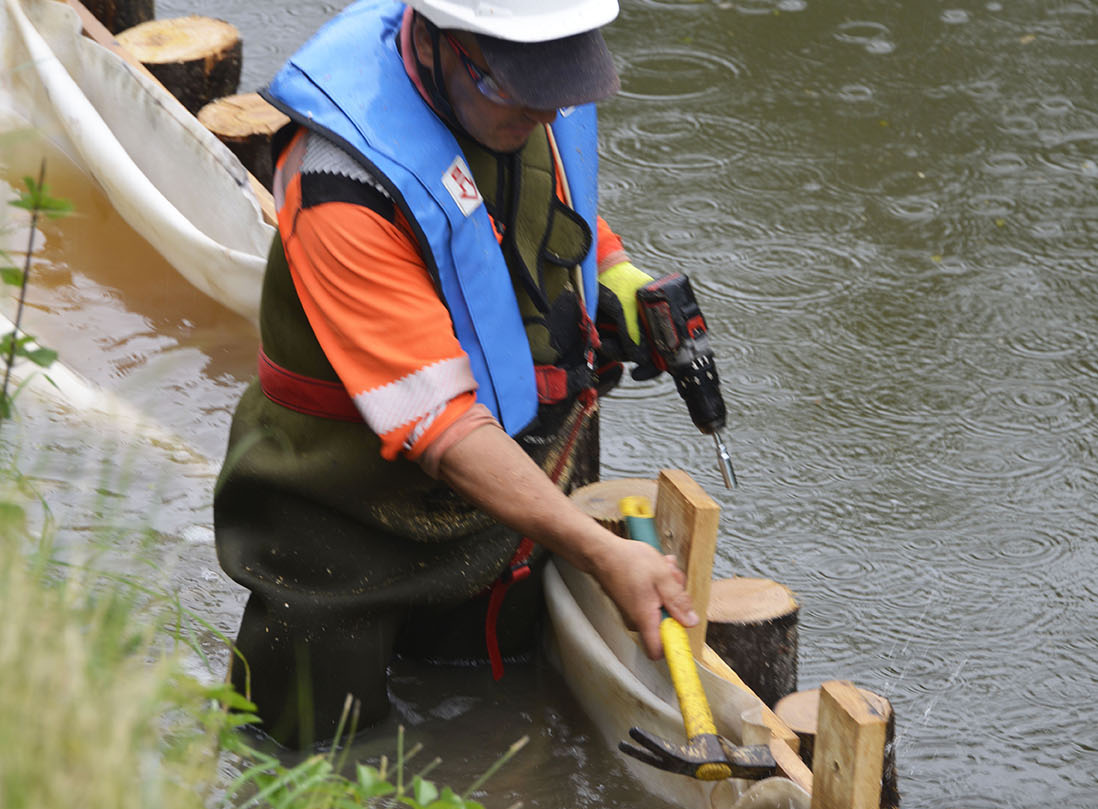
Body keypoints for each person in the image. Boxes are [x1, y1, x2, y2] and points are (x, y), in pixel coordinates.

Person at [214, 0, 698, 749]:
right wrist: (601, 551)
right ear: (441, 42)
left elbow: (555, 209)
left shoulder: (529, 106)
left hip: (495, 514)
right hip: (336, 522)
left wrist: (616, 279)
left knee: (486, 719)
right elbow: (441, 426)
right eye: (518, 89)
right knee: (302, 760)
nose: (544, 112)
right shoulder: (340, 182)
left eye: (557, 89)